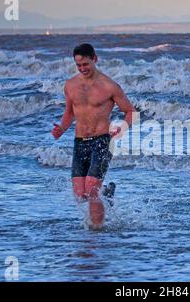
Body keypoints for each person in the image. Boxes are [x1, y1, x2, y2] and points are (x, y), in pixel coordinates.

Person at [51, 43, 135, 230]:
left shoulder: (109, 86)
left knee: (91, 190)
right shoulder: (70, 85)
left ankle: (97, 234)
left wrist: (121, 128)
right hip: (80, 142)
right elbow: (69, 113)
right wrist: (61, 129)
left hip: (102, 141)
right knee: (81, 195)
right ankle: (106, 193)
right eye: (79, 65)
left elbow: (130, 112)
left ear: (95, 59)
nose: (82, 69)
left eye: (86, 64)